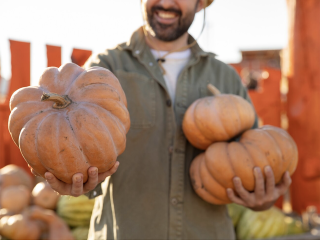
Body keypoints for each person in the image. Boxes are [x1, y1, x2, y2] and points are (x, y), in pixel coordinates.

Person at [45, 0, 292, 239]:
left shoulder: (224, 77)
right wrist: (77, 180)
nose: (166, 2)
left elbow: (253, 156)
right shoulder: (105, 68)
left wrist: (262, 197)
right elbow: (78, 149)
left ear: (201, 3)